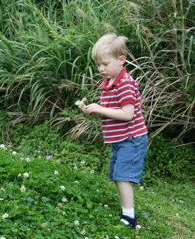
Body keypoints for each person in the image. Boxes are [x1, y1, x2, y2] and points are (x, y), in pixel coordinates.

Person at [81, 33, 148, 229]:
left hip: (131, 139)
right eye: (98, 65)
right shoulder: (109, 83)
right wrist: (95, 111)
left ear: (121, 60)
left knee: (122, 176)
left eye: (105, 64)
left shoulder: (125, 83)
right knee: (117, 175)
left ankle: (129, 217)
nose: (101, 69)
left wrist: (100, 108)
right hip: (120, 139)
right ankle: (126, 210)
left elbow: (127, 114)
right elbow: (113, 112)